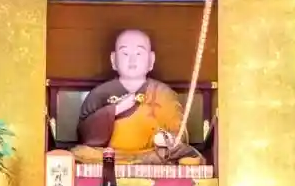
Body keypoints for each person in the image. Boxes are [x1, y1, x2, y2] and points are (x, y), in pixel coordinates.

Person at [72, 29, 203, 165]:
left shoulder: (163, 93)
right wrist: (116, 109)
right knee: (79, 153)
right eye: (125, 53)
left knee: (183, 153)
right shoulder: (100, 93)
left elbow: (180, 134)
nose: (132, 60)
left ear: (151, 60)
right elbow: (84, 135)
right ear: (113, 59)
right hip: (107, 156)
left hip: (152, 154)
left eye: (139, 53)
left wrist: (167, 139)